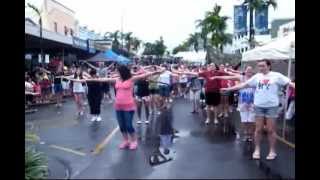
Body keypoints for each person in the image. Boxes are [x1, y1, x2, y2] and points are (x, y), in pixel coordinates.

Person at [221, 59, 295, 160]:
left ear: (269, 66)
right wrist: (228, 89)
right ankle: (257, 149)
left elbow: (290, 84)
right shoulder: (257, 77)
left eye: (263, 66)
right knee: (258, 129)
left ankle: (272, 151)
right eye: (259, 66)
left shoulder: (276, 75)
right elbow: (243, 85)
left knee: (270, 130)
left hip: (271, 107)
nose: (260, 68)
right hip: (258, 106)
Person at [87, 65, 164, 150]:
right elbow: (103, 79)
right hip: (118, 106)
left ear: (122, 72)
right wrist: (91, 79)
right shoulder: (116, 80)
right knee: (122, 125)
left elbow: (144, 75)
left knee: (128, 125)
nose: (117, 73)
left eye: (118, 72)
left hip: (128, 106)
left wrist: (157, 71)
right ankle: (126, 140)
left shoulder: (131, 79)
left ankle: (134, 141)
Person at [212, 66, 255, 141]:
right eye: (248, 70)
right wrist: (217, 77)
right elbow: (228, 77)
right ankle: (246, 134)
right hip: (243, 102)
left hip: (253, 103)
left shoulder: (255, 79)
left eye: (251, 70)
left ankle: (251, 135)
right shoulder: (241, 77)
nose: (249, 72)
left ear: (252, 72)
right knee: (244, 120)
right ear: (245, 71)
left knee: (251, 120)